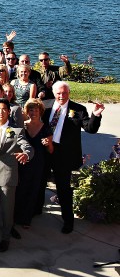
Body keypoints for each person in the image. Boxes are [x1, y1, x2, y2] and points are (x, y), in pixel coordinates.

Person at [43, 81, 104, 234]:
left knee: (63, 189)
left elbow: (90, 129)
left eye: (64, 93)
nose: (61, 96)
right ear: (53, 92)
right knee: (38, 182)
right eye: (58, 93)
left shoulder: (78, 109)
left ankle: (68, 221)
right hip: (44, 151)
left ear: (69, 93)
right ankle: (35, 210)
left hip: (64, 156)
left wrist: (96, 115)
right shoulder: (45, 105)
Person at [0, 98, 34, 253]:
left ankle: (5, 237)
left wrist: (26, 155)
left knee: (7, 209)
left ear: (8, 112)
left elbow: (28, 147)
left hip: (8, 175)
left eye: (3, 109)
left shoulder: (16, 131)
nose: (0, 112)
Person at [16, 98, 52, 228]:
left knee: (33, 190)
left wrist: (49, 144)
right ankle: (17, 215)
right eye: (31, 110)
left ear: (40, 111)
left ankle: (26, 219)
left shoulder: (45, 128)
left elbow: (51, 150)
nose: (33, 112)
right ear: (27, 111)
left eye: (36, 110)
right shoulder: (22, 126)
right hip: (23, 163)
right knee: (20, 189)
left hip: (38, 164)